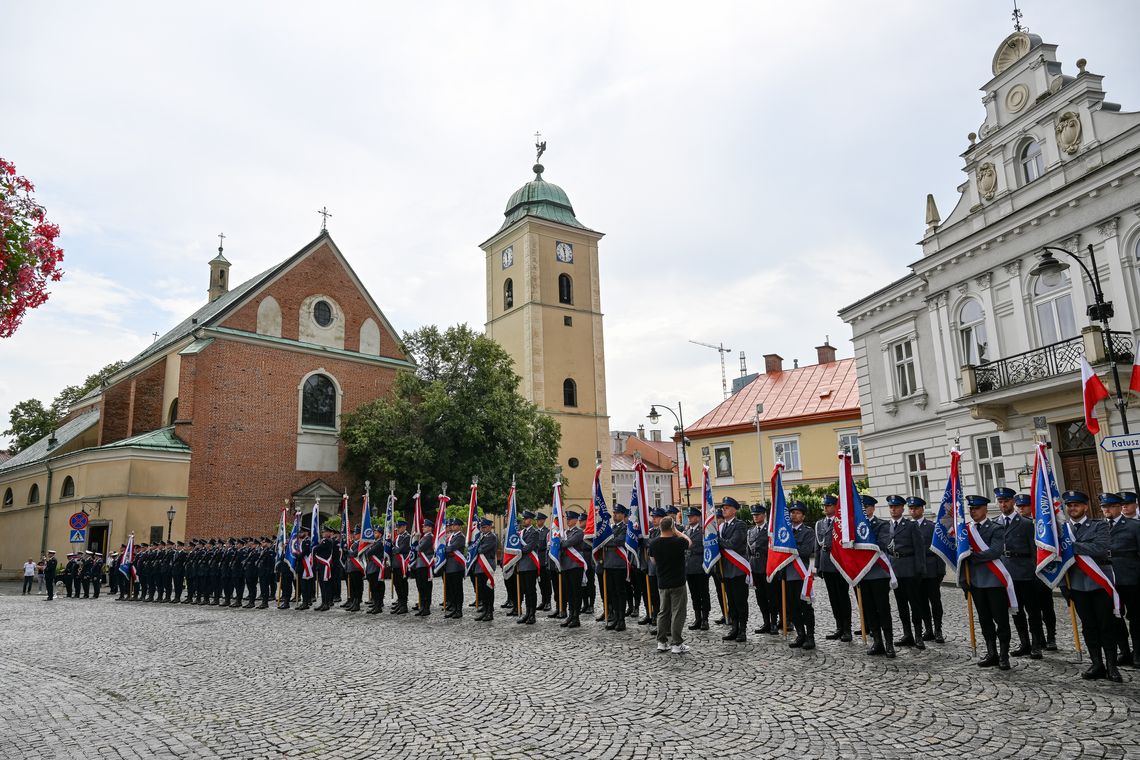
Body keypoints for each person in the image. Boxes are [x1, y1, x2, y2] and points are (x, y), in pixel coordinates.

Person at [1063, 491, 1121, 682]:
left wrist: (1072, 546)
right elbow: (1058, 560)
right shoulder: (1062, 530)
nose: (1072, 509)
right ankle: (1097, 664)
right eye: (1069, 505)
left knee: (1106, 625)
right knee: (1088, 627)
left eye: (1076, 505)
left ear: (1085, 507)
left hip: (1099, 583)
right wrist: (1064, 585)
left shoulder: (1099, 525)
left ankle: (1112, 666)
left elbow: (1100, 548)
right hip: (1077, 585)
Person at [961, 494, 1012, 670]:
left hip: (994, 581)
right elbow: (961, 558)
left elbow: (995, 552)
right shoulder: (966, 529)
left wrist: (972, 556)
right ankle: (992, 653)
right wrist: (962, 580)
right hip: (975, 581)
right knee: (984, 620)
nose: (972, 512)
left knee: (1001, 620)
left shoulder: (995, 528)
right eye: (971, 509)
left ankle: (1004, 655)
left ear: (985, 509)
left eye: (976, 508)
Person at [998, 488, 1042, 658]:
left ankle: (1036, 644)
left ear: (1013, 502)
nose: (1003, 505)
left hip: (1025, 572)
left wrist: (1035, 572)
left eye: (1006, 501)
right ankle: (1024, 643)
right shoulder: (996, 523)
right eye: (1001, 502)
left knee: (1033, 611)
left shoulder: (1025, 523)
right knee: (1016, 611)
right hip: (1007, 574)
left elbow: (1034, 551)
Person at [1104, 493, 1140, 667]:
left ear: (1119, 508)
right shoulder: (1099, 527)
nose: (1107, 510)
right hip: (1109, 579)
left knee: (1136, 617)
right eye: (1104, 507)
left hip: (1131, 578)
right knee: (1115, 618)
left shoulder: (1134, 526)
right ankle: (1124, 651)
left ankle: (1138, 653)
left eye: (1110, 507)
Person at [859, 495, 895, 657]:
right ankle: (877, 642)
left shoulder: (881, 524)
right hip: (863, 574)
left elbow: (882, 544)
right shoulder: (855, 527)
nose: (864, 511)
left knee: (883, 608)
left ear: (872, 508)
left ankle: (889, 643)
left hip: (879, 573)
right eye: (862, 508)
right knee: (869, 609)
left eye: (866, 507)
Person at [650, 516, 692, 654]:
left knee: (663, 612)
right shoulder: (679, 541)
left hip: (662, 582)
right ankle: (676, 643)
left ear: (660, 528)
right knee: (678, 613)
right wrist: (677, 532)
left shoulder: (654, 543)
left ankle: (661, 642)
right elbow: (689, 542)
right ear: (672, 527)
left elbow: (653, 561)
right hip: (678, 582)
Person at [815, 496, 850, 642]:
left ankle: (847, 629)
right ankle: (839, 627)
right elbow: (817, 547)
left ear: (835, 507)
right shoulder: (819, 524)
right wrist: (818, 566)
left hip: (840, 563)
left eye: (829, 505)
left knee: (843, 597)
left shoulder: (842, 522)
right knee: (833, 598)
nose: (826, 508)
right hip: (826, 563)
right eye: (824, 505)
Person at [908, 497, 944, 643]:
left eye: (916, 508)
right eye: (911, 508)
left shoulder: (931, 526)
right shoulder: (908, 526)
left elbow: (939, 550)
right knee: (921, 601)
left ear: (922, 509)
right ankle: (928, 629)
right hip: (917, 570)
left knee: (935, 601)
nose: (913, 511)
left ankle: (938, 630)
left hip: (931, 569)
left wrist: (940, 570)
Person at [717, 496, 749, 644]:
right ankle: (734, 628)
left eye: (727, 507)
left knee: (740, 601)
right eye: (723, 507)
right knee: (731, 602)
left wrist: (717, 540)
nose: (724, 509)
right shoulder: (722, 527)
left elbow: (733, 544)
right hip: (726, 569)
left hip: (738, 569)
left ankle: (742, 630)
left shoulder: (740, 525)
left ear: (735, 510)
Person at [602, 505, 629, 631]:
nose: (615, 515)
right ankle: (615, 617)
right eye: (614, 513)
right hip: (608, 564)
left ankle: (621, 620)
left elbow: (619, 541)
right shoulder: (610, 528)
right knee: (612, 592)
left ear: (623, 515)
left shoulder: (625, 528)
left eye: (618, 513)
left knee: (620, 593)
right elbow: (603, 540)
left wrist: (607, 541)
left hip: (619, 564)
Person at [559, 510, 587, 628]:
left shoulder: (579, 532)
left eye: (570, 519)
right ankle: (570, 615)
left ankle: (576, 617)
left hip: (575, 565)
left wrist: (560, 542)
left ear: (576, 520)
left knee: (576, 592)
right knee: (569, 592)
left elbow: (567, 544)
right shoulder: (564, 533)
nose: (568, 520)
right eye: (567, 519)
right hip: (565, 566)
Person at [683, 507, 710, 631]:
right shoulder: (686, 530)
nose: (689, 518)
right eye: (688, 516)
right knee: (694, 595)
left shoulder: (703, 531)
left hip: (700, 566)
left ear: (698, 517)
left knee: (703, 594)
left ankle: (705, 619)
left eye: (692, 516)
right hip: (689, 567)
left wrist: (690, 548)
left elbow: (706, 548)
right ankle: (697, 617)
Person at [472, 517, 498, 622]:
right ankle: (485, 611)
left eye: (485, 527)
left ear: (490, 527)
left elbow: (481, 549)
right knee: (482, 591)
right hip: (480, 567)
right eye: (482, 527)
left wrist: (475, 548)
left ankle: (489, 612)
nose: (483, 529)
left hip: (487, 566)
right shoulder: (481, 537)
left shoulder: (492, 537)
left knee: (488, 591)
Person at [443, 518, 466, 619]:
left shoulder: (460, 537)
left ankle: (459, 610)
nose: (453, 526)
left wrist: (443, 549)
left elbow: (452, 548)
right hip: (449, 566)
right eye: (452, 525)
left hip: (457, 566)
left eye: (455, 525)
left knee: (457, 589)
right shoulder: (451, 536)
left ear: (460, 526)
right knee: (451, 589)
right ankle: (454, 608)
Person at [413, 519, 434, 617]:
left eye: (425, 526)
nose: (423, 528)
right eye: (423, 526)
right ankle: (422, 606)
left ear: (430, 528)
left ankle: (426, 607)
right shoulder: (424, 537)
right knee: (420, 586)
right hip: (420, 564)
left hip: (425, 564)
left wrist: (417, 544)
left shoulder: (429, 537)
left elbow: (420, 548)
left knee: (426, 587)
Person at [391, 519, 412, 614]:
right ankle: (400, 602)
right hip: (396, 564)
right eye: (397, 528)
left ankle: (404, 605)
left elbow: (400, 549)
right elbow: (394, 550)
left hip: (402, 565)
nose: (397, 529)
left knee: (402, 585)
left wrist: (394, 549)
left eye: (399, 527)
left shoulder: (407, 537)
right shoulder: (397, 537)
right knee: (397, 584)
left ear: (404, 527)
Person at [535, 512, 552, 611]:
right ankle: (543, 601)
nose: (537, 522)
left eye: (539, 520)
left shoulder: (547, 532)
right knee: (540, 582)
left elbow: (545, 547)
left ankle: (548, 602)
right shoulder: (535, 531)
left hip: (543, 560)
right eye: (537, 520)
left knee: (546, 582)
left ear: (543, 520)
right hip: (536, 561)